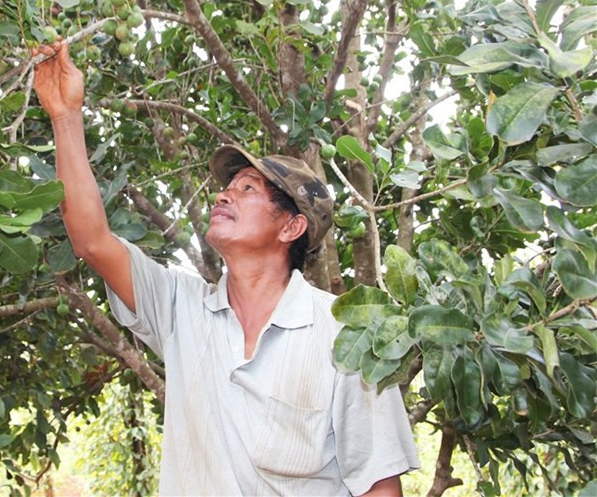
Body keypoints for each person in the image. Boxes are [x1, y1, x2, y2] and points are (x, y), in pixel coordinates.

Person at [32, 39, 419, 496]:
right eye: (227, 187)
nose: (223, 195)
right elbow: (93, 241)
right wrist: (64, 115)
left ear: (292, 226)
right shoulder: (181, 310)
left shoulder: (345, 337)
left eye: (248, 189)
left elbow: (380, 488)